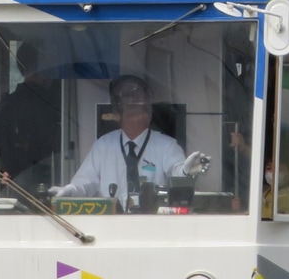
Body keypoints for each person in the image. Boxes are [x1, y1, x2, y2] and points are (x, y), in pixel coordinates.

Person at [51, 75, 204, 210]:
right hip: (110, 225)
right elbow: (84, 183)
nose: (134, 102)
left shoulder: (167, 146)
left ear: (148, 110)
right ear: (118, 111)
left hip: (153, 226)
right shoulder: (103, 146)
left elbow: (177, 176)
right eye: (128, 101)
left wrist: (186, 173)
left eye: (138, 102)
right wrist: (69, 192)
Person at [0, 42, 60, 193]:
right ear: (44, 68)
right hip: (44, 185)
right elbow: (53, 147)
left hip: (12, 185)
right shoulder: (49, 106)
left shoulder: (6, 105)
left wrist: (8, 168)